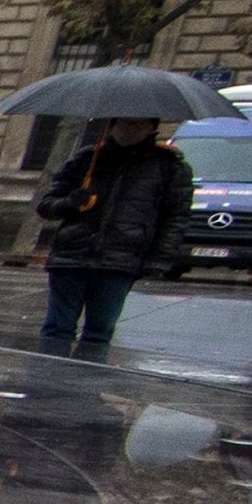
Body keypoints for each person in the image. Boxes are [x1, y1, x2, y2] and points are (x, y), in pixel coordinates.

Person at [30, 114, 188, 356]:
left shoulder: (168, 166)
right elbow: (47, 206)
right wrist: (70, 202)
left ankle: (86, 385)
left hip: (121, 260)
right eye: (123, 123)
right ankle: (45, 382)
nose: (129, 129)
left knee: (99, 330)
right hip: (72, 256)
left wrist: (160, 258)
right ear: (112, 125)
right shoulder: (87, 158)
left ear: (151, 128)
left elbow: (175, 217)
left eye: (137, 124)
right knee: (57, 328)